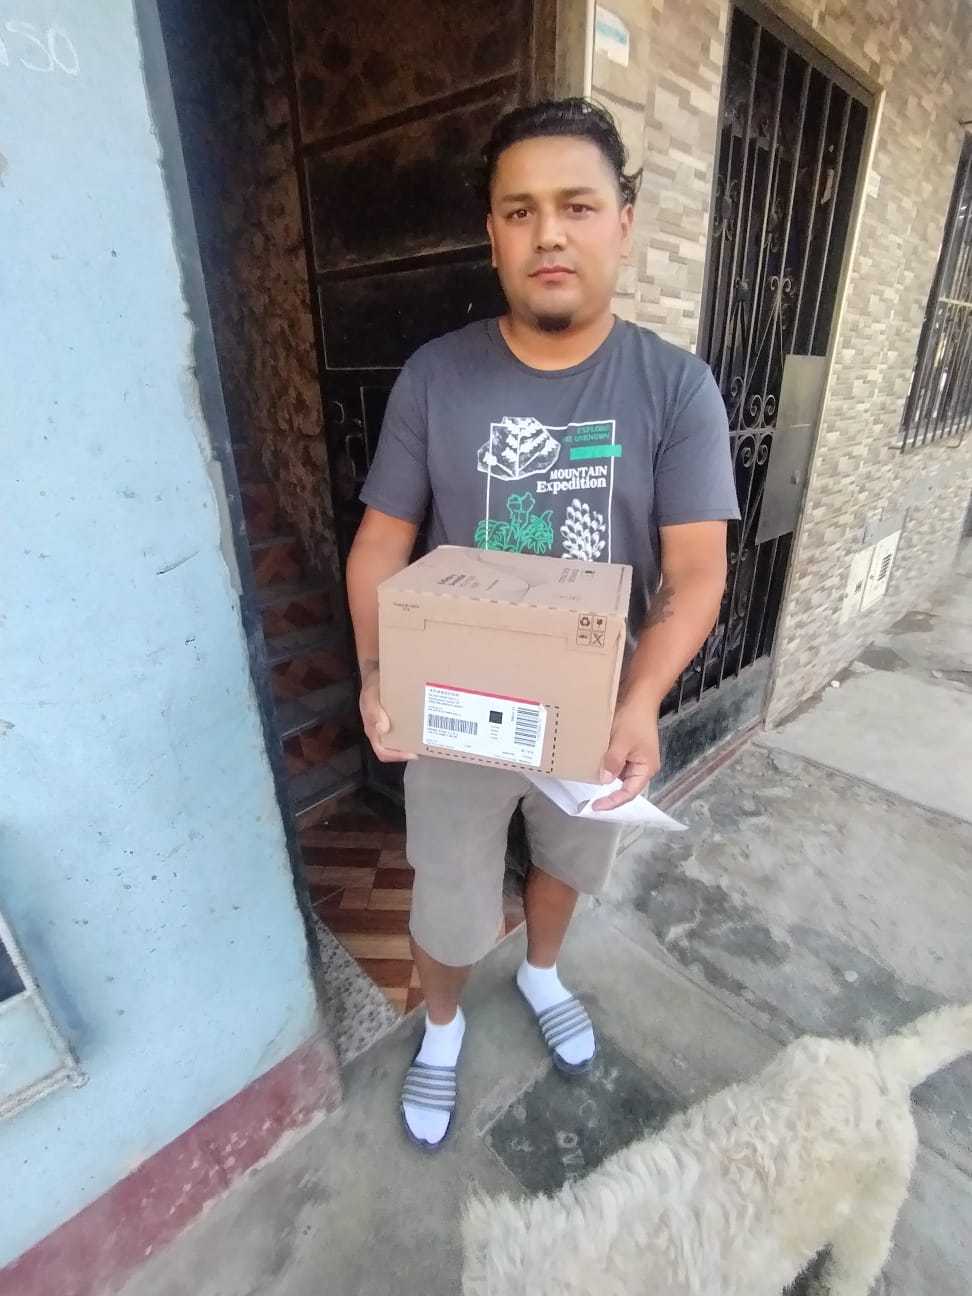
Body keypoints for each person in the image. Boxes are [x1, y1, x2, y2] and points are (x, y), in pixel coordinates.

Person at [346, 98, 739, 1151]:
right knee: (449, 899)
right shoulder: (436, 376)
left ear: (624, 222)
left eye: (577, 206)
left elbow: (697, 572)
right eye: (519, 212)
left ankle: (544, 973)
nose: (548, 233)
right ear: (493, 234)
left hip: (593, 709)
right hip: (452, 707)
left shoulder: (675, 389)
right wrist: (379, 669)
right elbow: (381, 541)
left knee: (566, 863)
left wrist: (642, 700)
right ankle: (440, 1030)